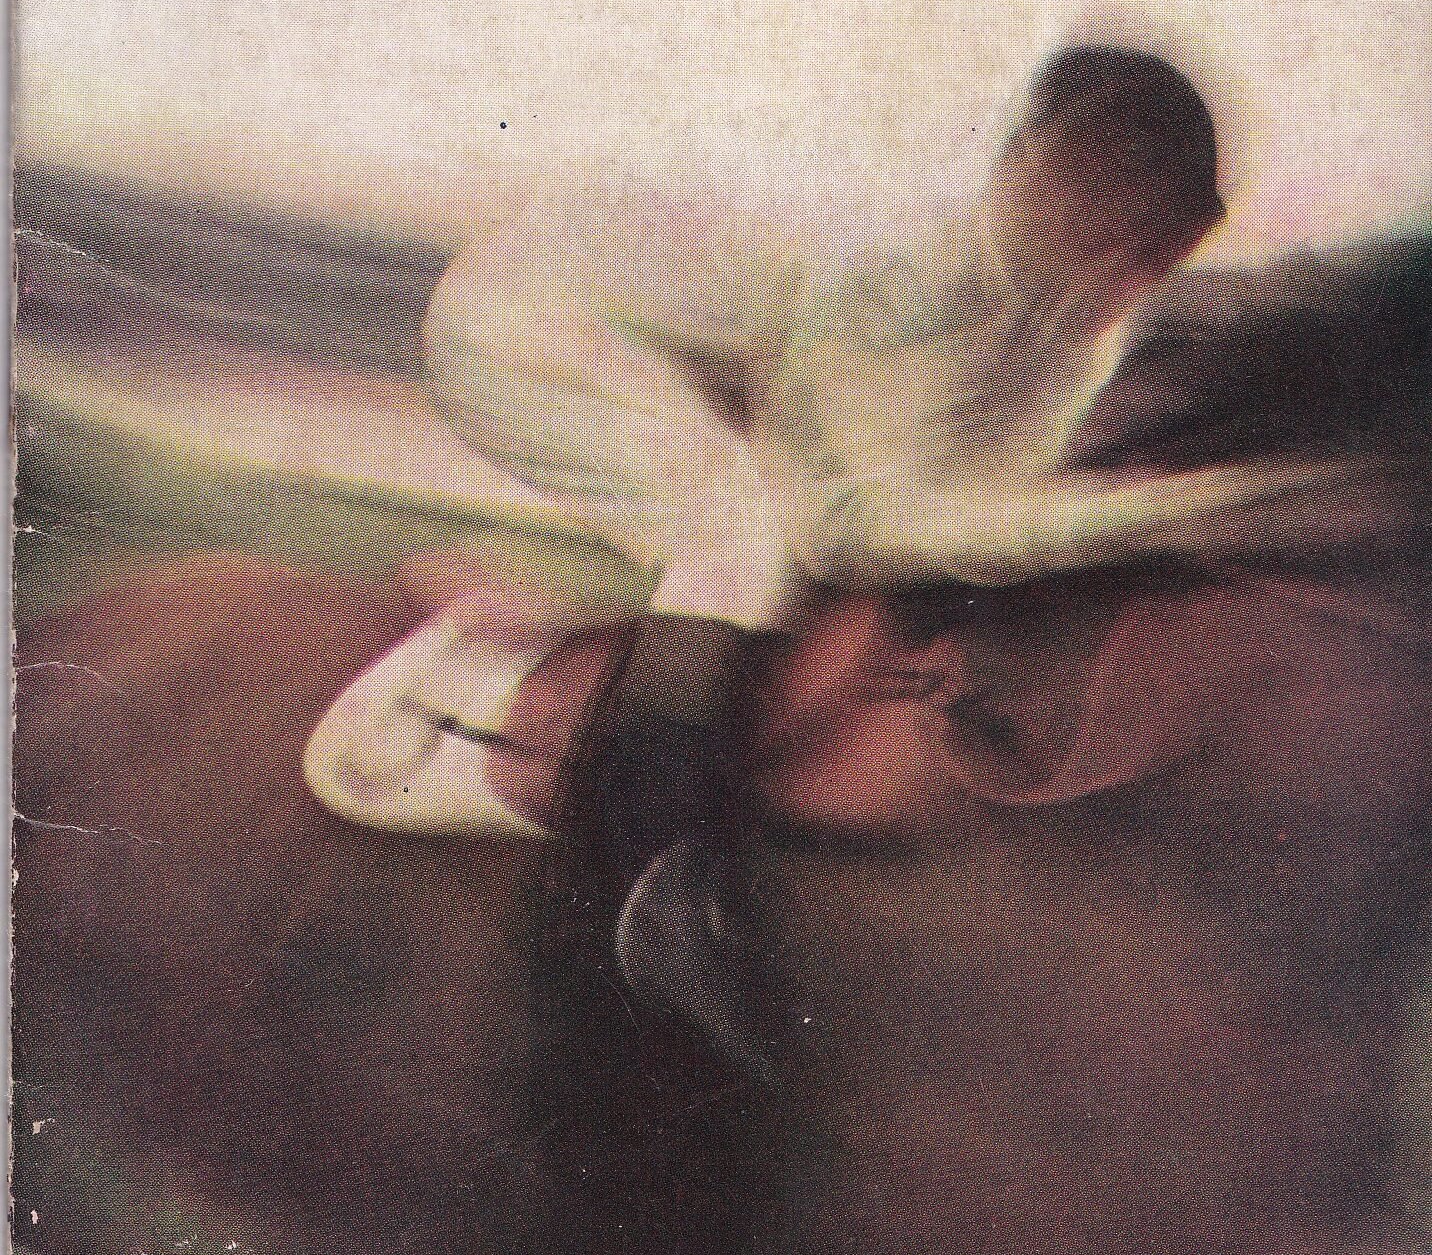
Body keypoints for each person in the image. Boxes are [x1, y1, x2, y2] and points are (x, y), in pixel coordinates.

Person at [303, 45, 1315, 838]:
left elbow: (984, 508)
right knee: (745, 539)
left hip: (714, 358)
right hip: (529, 324)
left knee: (811, 569)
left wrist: (1141, 515)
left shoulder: (1078, 315)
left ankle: (539, 642)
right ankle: (595, 833)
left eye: (1168, 244)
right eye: (1133, 227)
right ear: (1052, 170)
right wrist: (1166, 514)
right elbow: (859, 528)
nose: (1142, 270)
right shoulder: (895, 257)